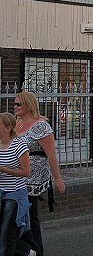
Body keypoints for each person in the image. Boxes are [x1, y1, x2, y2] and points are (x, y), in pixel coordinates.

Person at [14, 92, 66, 256]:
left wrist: (57, 178)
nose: (15, 107)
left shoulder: (41, 126)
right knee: (18, 215)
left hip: (33, 178)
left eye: (18, 105)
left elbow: (51, 155)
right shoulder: (17, 123)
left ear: (28, 106)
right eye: (15, 104)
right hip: (17, 176)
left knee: (29, 215)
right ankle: (25, 249)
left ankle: (36, 250)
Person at [0, 112, 30, 256]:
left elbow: (25, 172)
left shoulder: (19, 145)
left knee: (7, 231)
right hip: (1, 191)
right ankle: (25, 251)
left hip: (14, 194)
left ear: (7, 128)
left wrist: (4, 169)